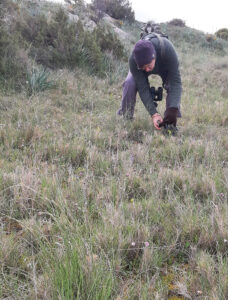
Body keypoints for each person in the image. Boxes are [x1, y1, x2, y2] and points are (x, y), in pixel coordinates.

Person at [117, 35, 182, 130]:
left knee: (172, 86)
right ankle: (126, 117)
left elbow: (176, 82)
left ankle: (170, 122)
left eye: (148, 65)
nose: (147, 70)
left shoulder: (167, 49)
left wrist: (173, 109)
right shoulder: (133, 60)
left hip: (164, 66)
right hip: (140, 67)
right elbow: (143, 88)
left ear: (154, 56)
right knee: (130, 82)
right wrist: (154, 114)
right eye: (143, 67)